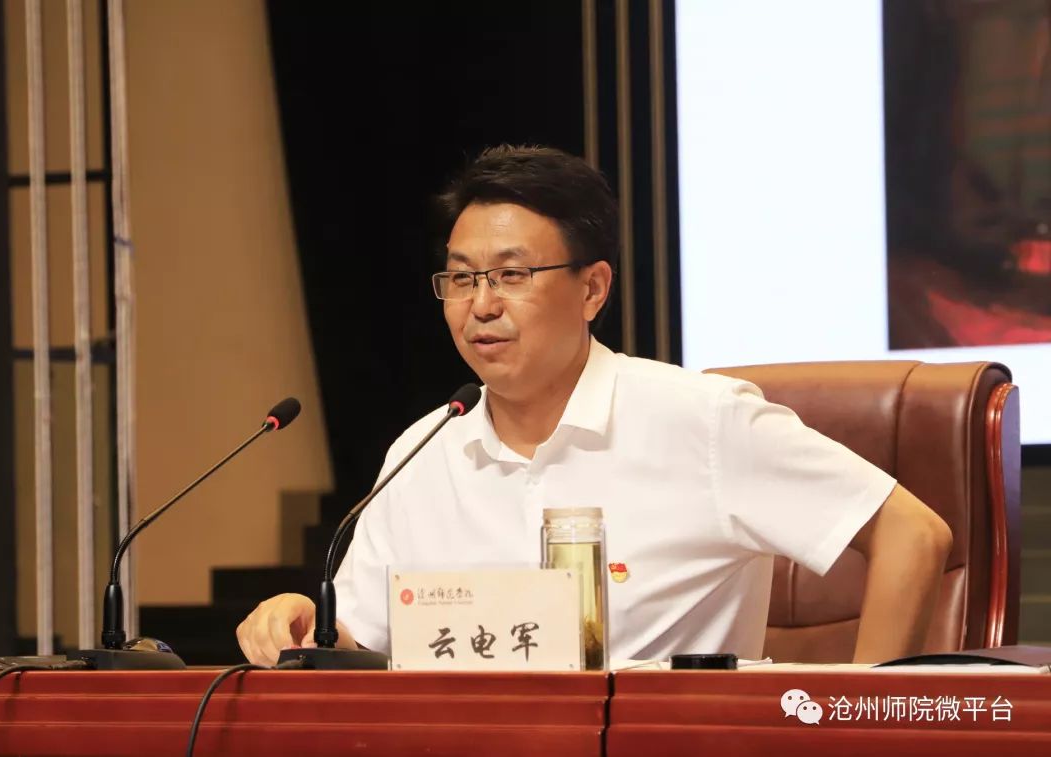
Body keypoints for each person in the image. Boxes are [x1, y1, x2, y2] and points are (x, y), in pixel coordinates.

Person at [236, 145, 952, 667]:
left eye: (512, 275)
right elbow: (363, 648)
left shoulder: (702, 422)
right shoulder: (422, 453)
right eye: (461, 279)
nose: (481, 305)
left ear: (592, 289)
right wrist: (302, 624)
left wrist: (864, 723)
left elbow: (912, 533)